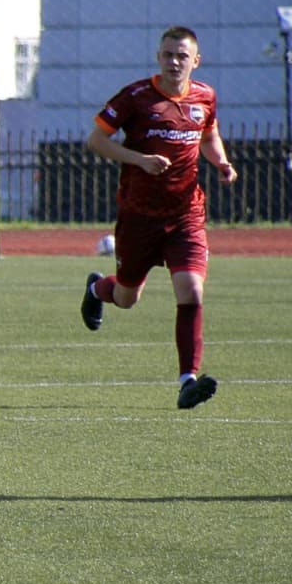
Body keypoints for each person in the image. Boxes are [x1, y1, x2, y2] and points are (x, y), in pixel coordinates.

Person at [79, 25, 237, 409]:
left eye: (182, 55)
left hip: (186, 216)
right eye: (167, 54)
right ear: (158, 57)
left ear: (195, 61)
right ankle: (98, 289)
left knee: (191, 290)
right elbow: (96, 140)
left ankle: (188, 381)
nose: (174, 61)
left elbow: (207, 135)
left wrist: (221, 161)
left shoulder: (205, 97)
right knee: (127, 297)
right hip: (138, 217)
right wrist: (139, 160)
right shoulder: (136, 98)